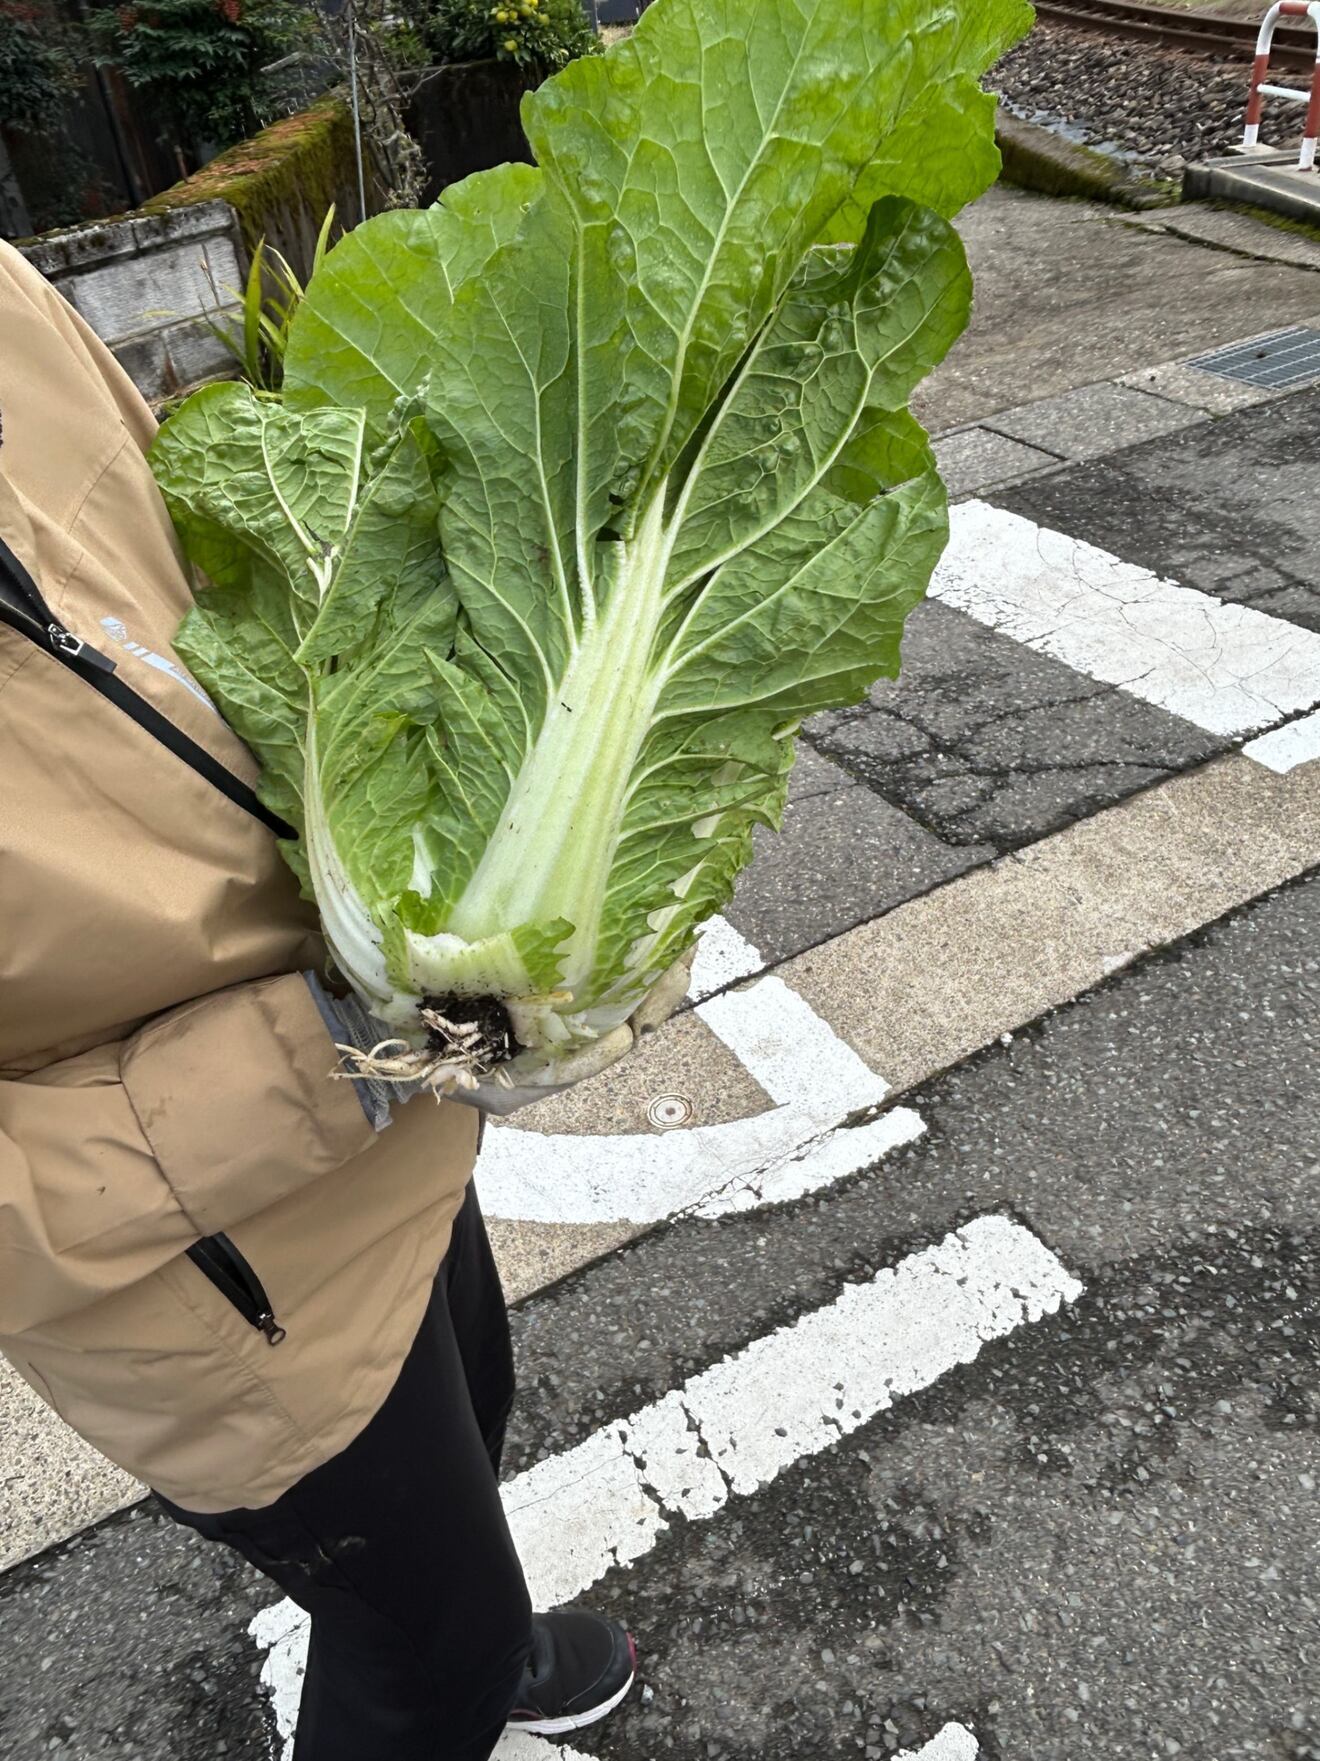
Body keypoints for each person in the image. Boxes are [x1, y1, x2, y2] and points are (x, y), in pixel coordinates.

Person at [0, 238, 687, 1760]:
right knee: (413, 1640)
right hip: (205, 1271)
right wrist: (325, 1056)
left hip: (396, 1083)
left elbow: (190, 562)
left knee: (472, 1402)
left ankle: (489, 1645)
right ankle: (462, 1661)